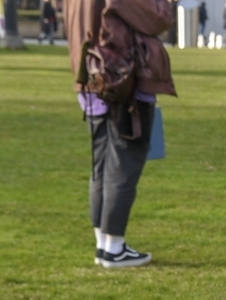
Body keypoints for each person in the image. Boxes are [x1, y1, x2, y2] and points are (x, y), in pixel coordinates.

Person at [65, 0, 176, 267]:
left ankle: (104, 243)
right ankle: (114, 246)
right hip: (121, 77)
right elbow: (157, 17)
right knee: (124, 164)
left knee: (101, 165)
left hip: (91, 73)